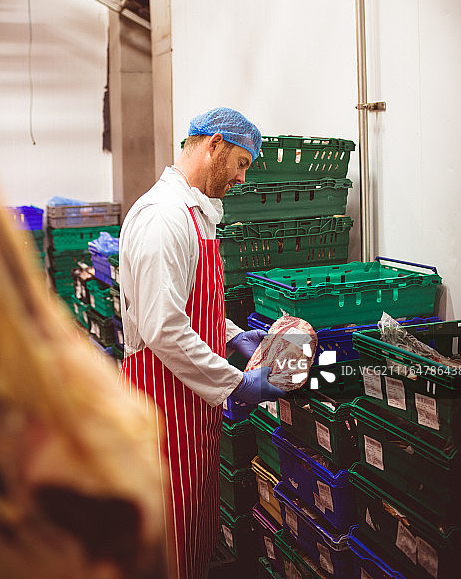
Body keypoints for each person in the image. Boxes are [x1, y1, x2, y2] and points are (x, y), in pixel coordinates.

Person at [119, 107, 285, 579]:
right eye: (240, 163)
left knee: (192, 529)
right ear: (212, 145)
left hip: (190, 403)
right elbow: (163, 327)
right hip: (161, 405)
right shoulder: (163, 219)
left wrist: (234, 336)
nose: (240, 177)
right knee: (166, 539)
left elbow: (195, 303)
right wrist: (238, 385)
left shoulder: (196, 216)